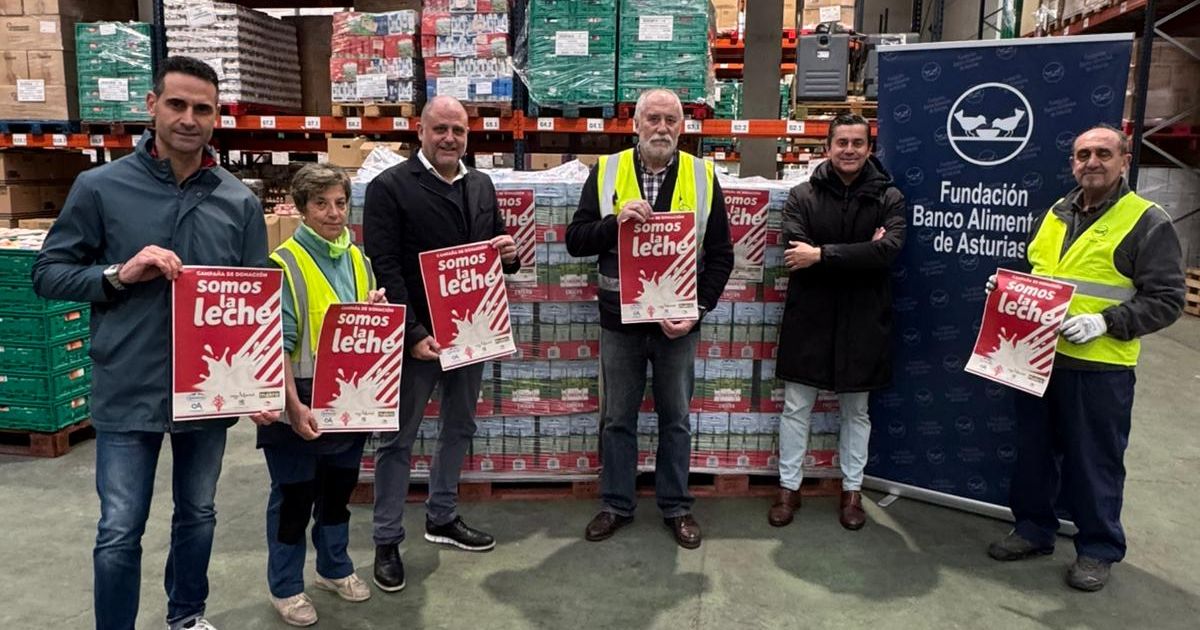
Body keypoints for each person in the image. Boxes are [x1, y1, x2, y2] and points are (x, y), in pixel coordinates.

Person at [31, 56, 276, 630]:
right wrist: (118, 274)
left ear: (217, 117)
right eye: (178, 104)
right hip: (128, 386)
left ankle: (186, 616)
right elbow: (48, 273)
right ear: (151, 106)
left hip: (208, 394)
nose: (189, 118)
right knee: (119, 528)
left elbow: (254, 305)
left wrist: (260, 385)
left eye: (203, 108)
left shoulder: (237, 202)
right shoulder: (100, 187)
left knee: (199, 514)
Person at [986, 124, 1185, 592]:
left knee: (1094, 460)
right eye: (1082, 154)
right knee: (1035, 454)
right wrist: (1009, 293)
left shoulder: (1146, 221)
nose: (1091, 162)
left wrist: (1106, 322)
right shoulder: (1057, 212)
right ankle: (1034, 529)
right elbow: (1044, 274)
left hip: (1100, 366)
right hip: (1035, 358)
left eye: (1102, 153)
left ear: (1123, 160)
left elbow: (1168, 299)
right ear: (1072, 163)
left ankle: (1098, 549)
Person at [363, 95, 519, 592]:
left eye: (458, 129)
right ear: (420, 131)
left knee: (460, 425)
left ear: (468, 134)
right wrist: (412, 334)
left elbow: (490, 250)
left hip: (473, 333)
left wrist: (508, 254)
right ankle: (387, 537)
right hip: (420, 337)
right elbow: (384, 264)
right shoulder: (391, 187)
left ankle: (442, 515)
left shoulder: (481, 184)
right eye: (440, 129)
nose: (450, 138)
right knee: (398, 438)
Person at [567, 88, 734, 549]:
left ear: (683, 127)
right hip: (619, 323)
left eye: (671, 120)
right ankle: (616, 504)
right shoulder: (606, 172)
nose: (662, 127)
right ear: (635, 125)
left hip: (677, 326)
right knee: (617, 418)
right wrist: (614, 221)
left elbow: (720, 256)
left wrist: (698, 310)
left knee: (675, 418)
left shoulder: (703, 176)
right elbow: (576, 239)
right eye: (653, 119)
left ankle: (676, 507)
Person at [259, 164, 388, 626]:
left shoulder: (358, 258)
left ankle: (333, 569)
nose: (334, 213)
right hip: (301, 397)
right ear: (301, 208)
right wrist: (292, 407)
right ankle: (286, 586)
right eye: (321, 204)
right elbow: (274, 348)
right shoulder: (285, 263)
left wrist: (374, 313)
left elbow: (360, 328)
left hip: (348, 396)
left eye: (340, 202)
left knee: (337, 491)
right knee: (294, 496)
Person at [770, 113, 907, 530]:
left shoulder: (889, 197)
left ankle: (852, 492)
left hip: (864, 318)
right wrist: (862, 252)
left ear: (870, 148)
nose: (849, 150)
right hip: (809, 316)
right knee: (796, 407)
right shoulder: (801, 195)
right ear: (827, 147)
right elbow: (795, 249)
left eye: (857, 143)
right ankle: (787, 488)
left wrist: (822, 256)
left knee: (857, 411)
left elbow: (891, 251)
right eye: (841, 142)